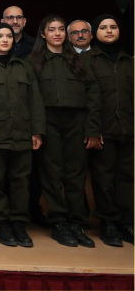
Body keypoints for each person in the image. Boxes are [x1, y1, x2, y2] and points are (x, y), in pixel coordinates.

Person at [28, 15, 101, 248]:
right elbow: (30, 99)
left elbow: (93, 95)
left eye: (61, 29)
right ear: (43, 34)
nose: (57, 33)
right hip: (48, 121)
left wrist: (92, 128)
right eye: (52, 30)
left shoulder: (79, 61)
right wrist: (36, 130)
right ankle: (59, 222)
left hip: (76, 122)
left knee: (76, 174)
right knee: (51, 173)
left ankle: (77, 223)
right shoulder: (34, 61)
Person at [0, 23, 46, 247]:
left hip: (23, 134)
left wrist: (37, 131)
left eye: (9, 36)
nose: (5, 39)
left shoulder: (24, 68)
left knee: (21, 181)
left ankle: (19, 223)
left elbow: (36, 101)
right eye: (0, 36)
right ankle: (1, 223)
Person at [81, 14, 133, 246]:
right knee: (103, 178)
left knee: (128, 178)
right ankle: (108, 223)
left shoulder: (129, 61)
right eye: (103, 27)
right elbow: (87, 99)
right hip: (102, 131)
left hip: (129, 130)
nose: (109, 31)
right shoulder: (87, 60)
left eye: (113, 27)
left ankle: (127, 222)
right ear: (95, 33)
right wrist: (93, 129)